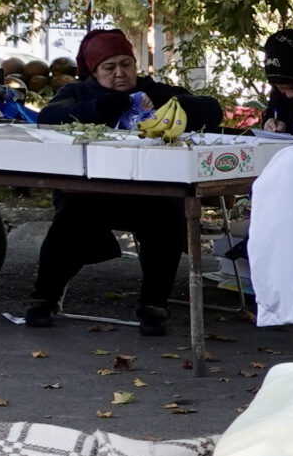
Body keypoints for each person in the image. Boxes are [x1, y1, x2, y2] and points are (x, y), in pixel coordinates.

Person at [26, 28, 226, 334]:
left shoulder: (152, 90)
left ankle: (154, 305)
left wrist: (163, 100)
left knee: (165, 221)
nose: (120, 73)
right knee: (71, 220)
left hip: (147, 193)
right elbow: (48, 118)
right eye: (109, 68)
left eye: (126, 64)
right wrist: (98, 109)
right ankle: (42, 299)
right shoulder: (78, 92)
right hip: (91, 192)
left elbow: (212, 110)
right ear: (94, 71)